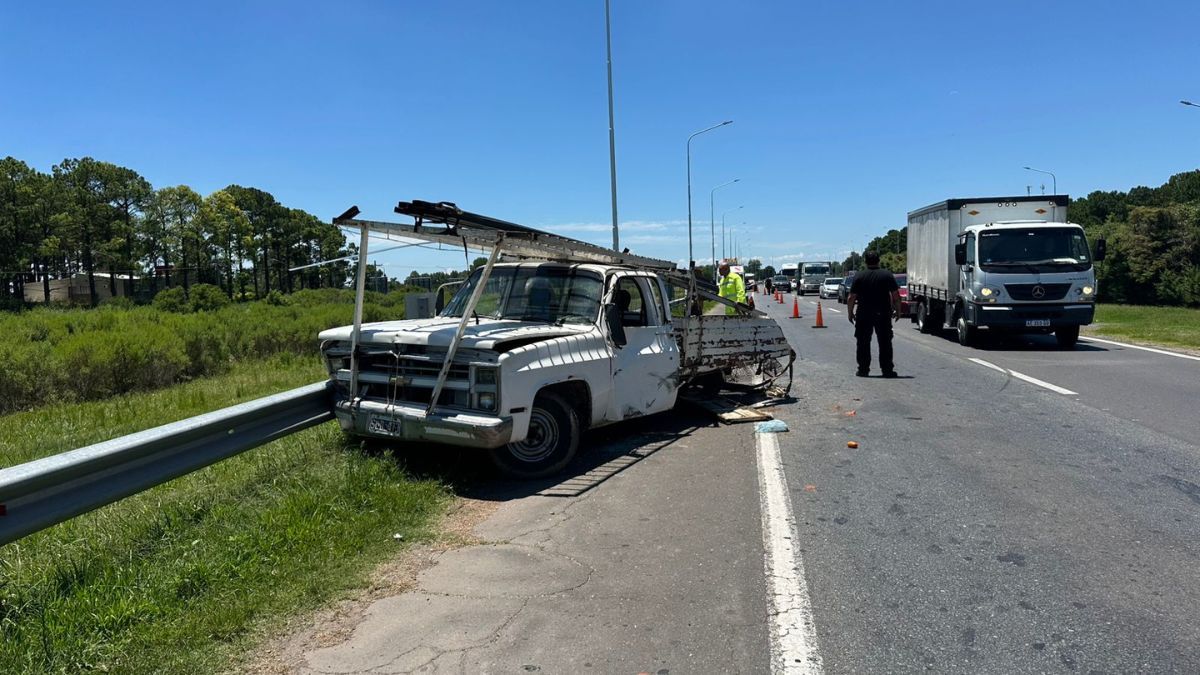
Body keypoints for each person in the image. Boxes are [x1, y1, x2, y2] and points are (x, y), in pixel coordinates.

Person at [846, 251, 901, 377]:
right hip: (883, 313)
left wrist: (850, 313)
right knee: (885, 342)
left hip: (864, 314)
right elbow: (896, 296)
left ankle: (863, 369)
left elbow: (851, 298)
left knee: (863, 342)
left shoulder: (859, 276)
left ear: (865, 262)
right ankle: (887, 370)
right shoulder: (887, 275)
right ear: (878, 261)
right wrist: (898, 311)